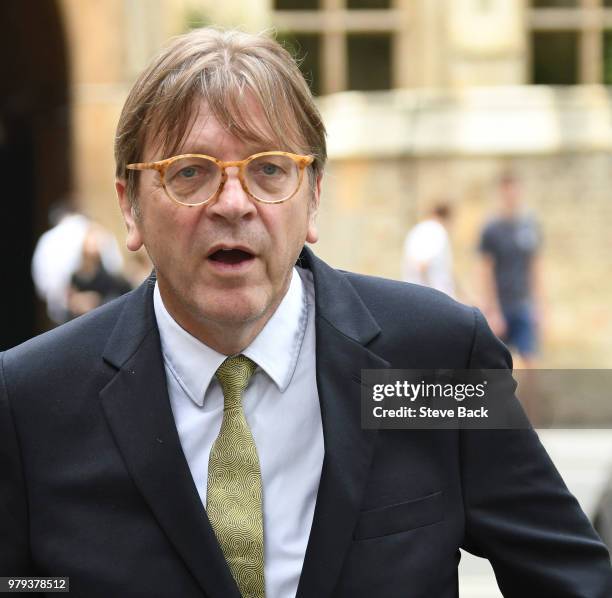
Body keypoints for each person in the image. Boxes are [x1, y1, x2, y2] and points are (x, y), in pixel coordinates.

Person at [1, 28, 610, 598]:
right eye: (190, 173)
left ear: (313, 196)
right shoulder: (31, 400)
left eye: (269, 170)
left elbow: (573, 578)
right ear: (129, 208)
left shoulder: (437, 360)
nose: (233, 203)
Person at [478, 173, 543, 368]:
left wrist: (540, 306)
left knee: (531, 361)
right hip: (501, 307)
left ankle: (531, 400)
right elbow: (484, 270)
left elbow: (535, 267)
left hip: (523, 305)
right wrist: (492, 309)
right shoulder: (491, 228)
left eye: (515, 190)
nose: (511, 195)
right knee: (499, 367)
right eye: (507, 191)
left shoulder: (529, 225)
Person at [402, 202, 455, 297]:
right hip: (433, 298)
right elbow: (422, 265)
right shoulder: (436, 230)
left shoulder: (417, 229)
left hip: (414, 294)